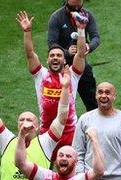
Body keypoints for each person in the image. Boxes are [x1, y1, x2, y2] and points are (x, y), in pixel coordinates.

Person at [17, 10, 86, 157]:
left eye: (59, 55)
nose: (55, 58)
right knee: (45, 172)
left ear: (65, 60)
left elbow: (80, 53)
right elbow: (30, 54)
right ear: (47, 60)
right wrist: (27, 31)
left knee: (70, 172)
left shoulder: (72, 75)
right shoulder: (40, 75)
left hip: (70, 133)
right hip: (46, 133)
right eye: (52, 56)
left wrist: (81, 29)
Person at [48, 0, 100, 111]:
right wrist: (66, 52)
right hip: (61, 68)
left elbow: (96, 38)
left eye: (79, 4)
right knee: (59, 105)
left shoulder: (87, 15)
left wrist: (88, 47)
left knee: (92, 102)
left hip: (81, 65)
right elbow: (52, 43)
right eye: (74, 4)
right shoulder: (56, 17)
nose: (77, 7)